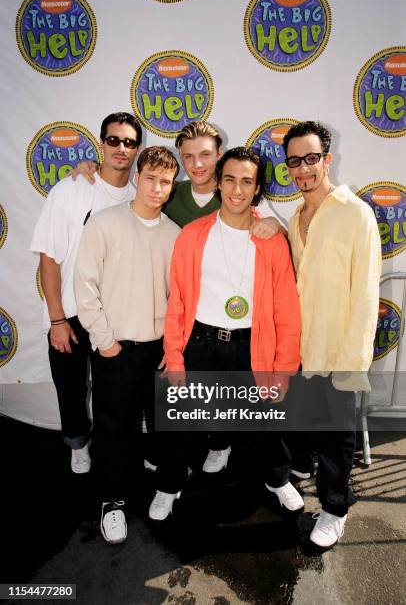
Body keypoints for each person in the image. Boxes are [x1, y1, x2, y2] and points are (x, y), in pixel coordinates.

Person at [70, 120, 280, 474]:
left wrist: (274, 223)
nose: (197, 164)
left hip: (232, 326)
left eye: (206, 155)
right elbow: (137, 206)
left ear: (219, 156)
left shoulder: (235, 191)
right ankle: (152, 476)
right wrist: (91, 167)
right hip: (180, 327)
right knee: (164, 412)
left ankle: (221, 445)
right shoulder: (173, 193)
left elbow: (262, 221)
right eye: (188, 157)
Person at [148, 147, 302, 521]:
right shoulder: (192, 236)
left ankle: (278, 479)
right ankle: (168, 485)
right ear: (218, 182)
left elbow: (286, 309)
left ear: (257, 188)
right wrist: (175, 356)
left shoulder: (271, 240)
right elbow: (178, 304)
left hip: (254, 344)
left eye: (246, 181)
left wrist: (283, 368)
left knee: (268, 422)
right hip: (201, 342)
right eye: (229, 179)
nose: (237, 189)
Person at [280, 121, 381, 549]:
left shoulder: (356, 213)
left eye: (310, 158)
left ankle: (336, 509)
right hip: (301, 349)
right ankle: (303, 472)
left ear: (327, 158)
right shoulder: (294, 215)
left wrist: (353, 364)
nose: (302, 169)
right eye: (293, 162)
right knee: (308, 428)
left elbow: (365, 294)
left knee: (338, 439)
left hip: (338, 352)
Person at [74, 146, 180, 544]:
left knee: (162, 428)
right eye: (150, 178)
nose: (156, 188)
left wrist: (172, 349)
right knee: (113, 430)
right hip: (114, 347)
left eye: (165, 182)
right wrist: (105, 343)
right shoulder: (104, 223)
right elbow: (84, 286)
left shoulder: (174, 234)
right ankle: (112, 501)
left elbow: (179, 299)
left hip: (157, 351)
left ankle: (165, 489)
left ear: (172, 187)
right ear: (137, 177)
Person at [30, 112, 142, 473]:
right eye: (113, 140)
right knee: (71, 388)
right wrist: (57, 319)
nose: (121, 148)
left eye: (129, 142)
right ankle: (78, 442)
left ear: (138, 149)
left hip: (120, 317)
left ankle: (124, 444)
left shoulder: (142, 195)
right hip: (72, 313)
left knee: (119, 391)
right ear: (101, 143)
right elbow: (49, 258)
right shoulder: (71, 190)